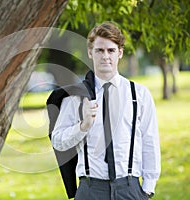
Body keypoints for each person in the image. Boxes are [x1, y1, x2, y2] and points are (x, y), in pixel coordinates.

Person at [51, 22, 161, 200]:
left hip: (130, 189)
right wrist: (83, 126)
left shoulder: (138, 94)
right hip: (90, 189)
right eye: (99, 50)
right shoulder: (77, 96)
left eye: (110, 50)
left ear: (120, 52)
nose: (105, 56)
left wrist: (147, 189)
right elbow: (57, 141)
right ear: (90, 53)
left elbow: (150, 141)